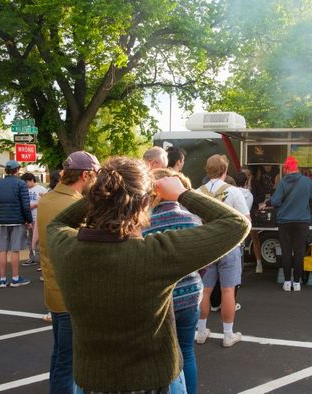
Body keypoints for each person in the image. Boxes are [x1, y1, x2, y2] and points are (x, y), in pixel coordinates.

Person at [47, 156, 250, 392]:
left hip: (92, 383)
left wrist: (103, 191)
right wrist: (184, 193)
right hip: (154, 383)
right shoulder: (155, 255)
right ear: (145, 203)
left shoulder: (66, 249)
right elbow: (236, 224)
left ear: (95, 198)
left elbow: (57, 223)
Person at [36, 151, 100, 394]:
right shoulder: (74, 205)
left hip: (53, 290)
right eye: (95, 176)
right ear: (85, 174)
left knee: (60, 355)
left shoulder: (48, 199)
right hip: (72, 293)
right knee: (69, 362)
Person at [143, 168, 203, 394]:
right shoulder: (192, 220)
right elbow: (202, 262)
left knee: (161, 356)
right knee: (186, 351)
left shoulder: (144, 224)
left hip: (158, 302)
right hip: (190, 294)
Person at [196, 154, 250, 348]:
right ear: (225, 171)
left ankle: (201, 332)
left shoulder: (197, 192)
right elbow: (246, 219)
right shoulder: (233, 192)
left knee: (205, 290)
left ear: (207, 170)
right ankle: (228, 334)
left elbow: (194, 223)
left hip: (206, 246)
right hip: (229, 245)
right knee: (228, 291)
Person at [271, 156, 312, 292]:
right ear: (297, 168)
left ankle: (286, 282)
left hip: (284, 222)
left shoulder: (282, 183)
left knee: (286, 252)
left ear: (286, 169)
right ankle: (296, 283)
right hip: (302, 221)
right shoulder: (307, 181)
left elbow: (275, 202)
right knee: (299, 251)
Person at [0, 160, 33, 288]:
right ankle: (15, 278)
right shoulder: (20, 184)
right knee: (15, 251)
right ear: (17, 170)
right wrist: (29, 221)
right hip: (17, 220)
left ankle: (2, 280)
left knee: (2, 250)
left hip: (2, 221)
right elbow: (25, 206)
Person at [20, 172, 47, 266]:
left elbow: (46, 202)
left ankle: (40, 260)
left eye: (26, 182)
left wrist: (35, 205)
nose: (25, 184)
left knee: (38, 240)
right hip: (28, 218)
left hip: (38, 217)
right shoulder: (24, 190)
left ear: (32, 180)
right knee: (30, 239)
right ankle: (32, 257)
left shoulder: (42, 189)